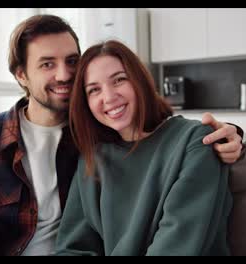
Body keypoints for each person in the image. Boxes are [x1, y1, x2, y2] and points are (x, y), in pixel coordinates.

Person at [0, 14, 242, 256]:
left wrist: (237, 138)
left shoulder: (89, 138)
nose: (64, 74)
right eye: (47, 64)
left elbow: (169, 138)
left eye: (71, 62)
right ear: (21, 75)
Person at [55, 40, 233, 256]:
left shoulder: (194, 141)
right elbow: (73, 248)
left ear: (139, 80)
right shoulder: (92, 160)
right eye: (94, 90)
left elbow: (178, 244)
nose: (109, 97)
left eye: (119, 80)